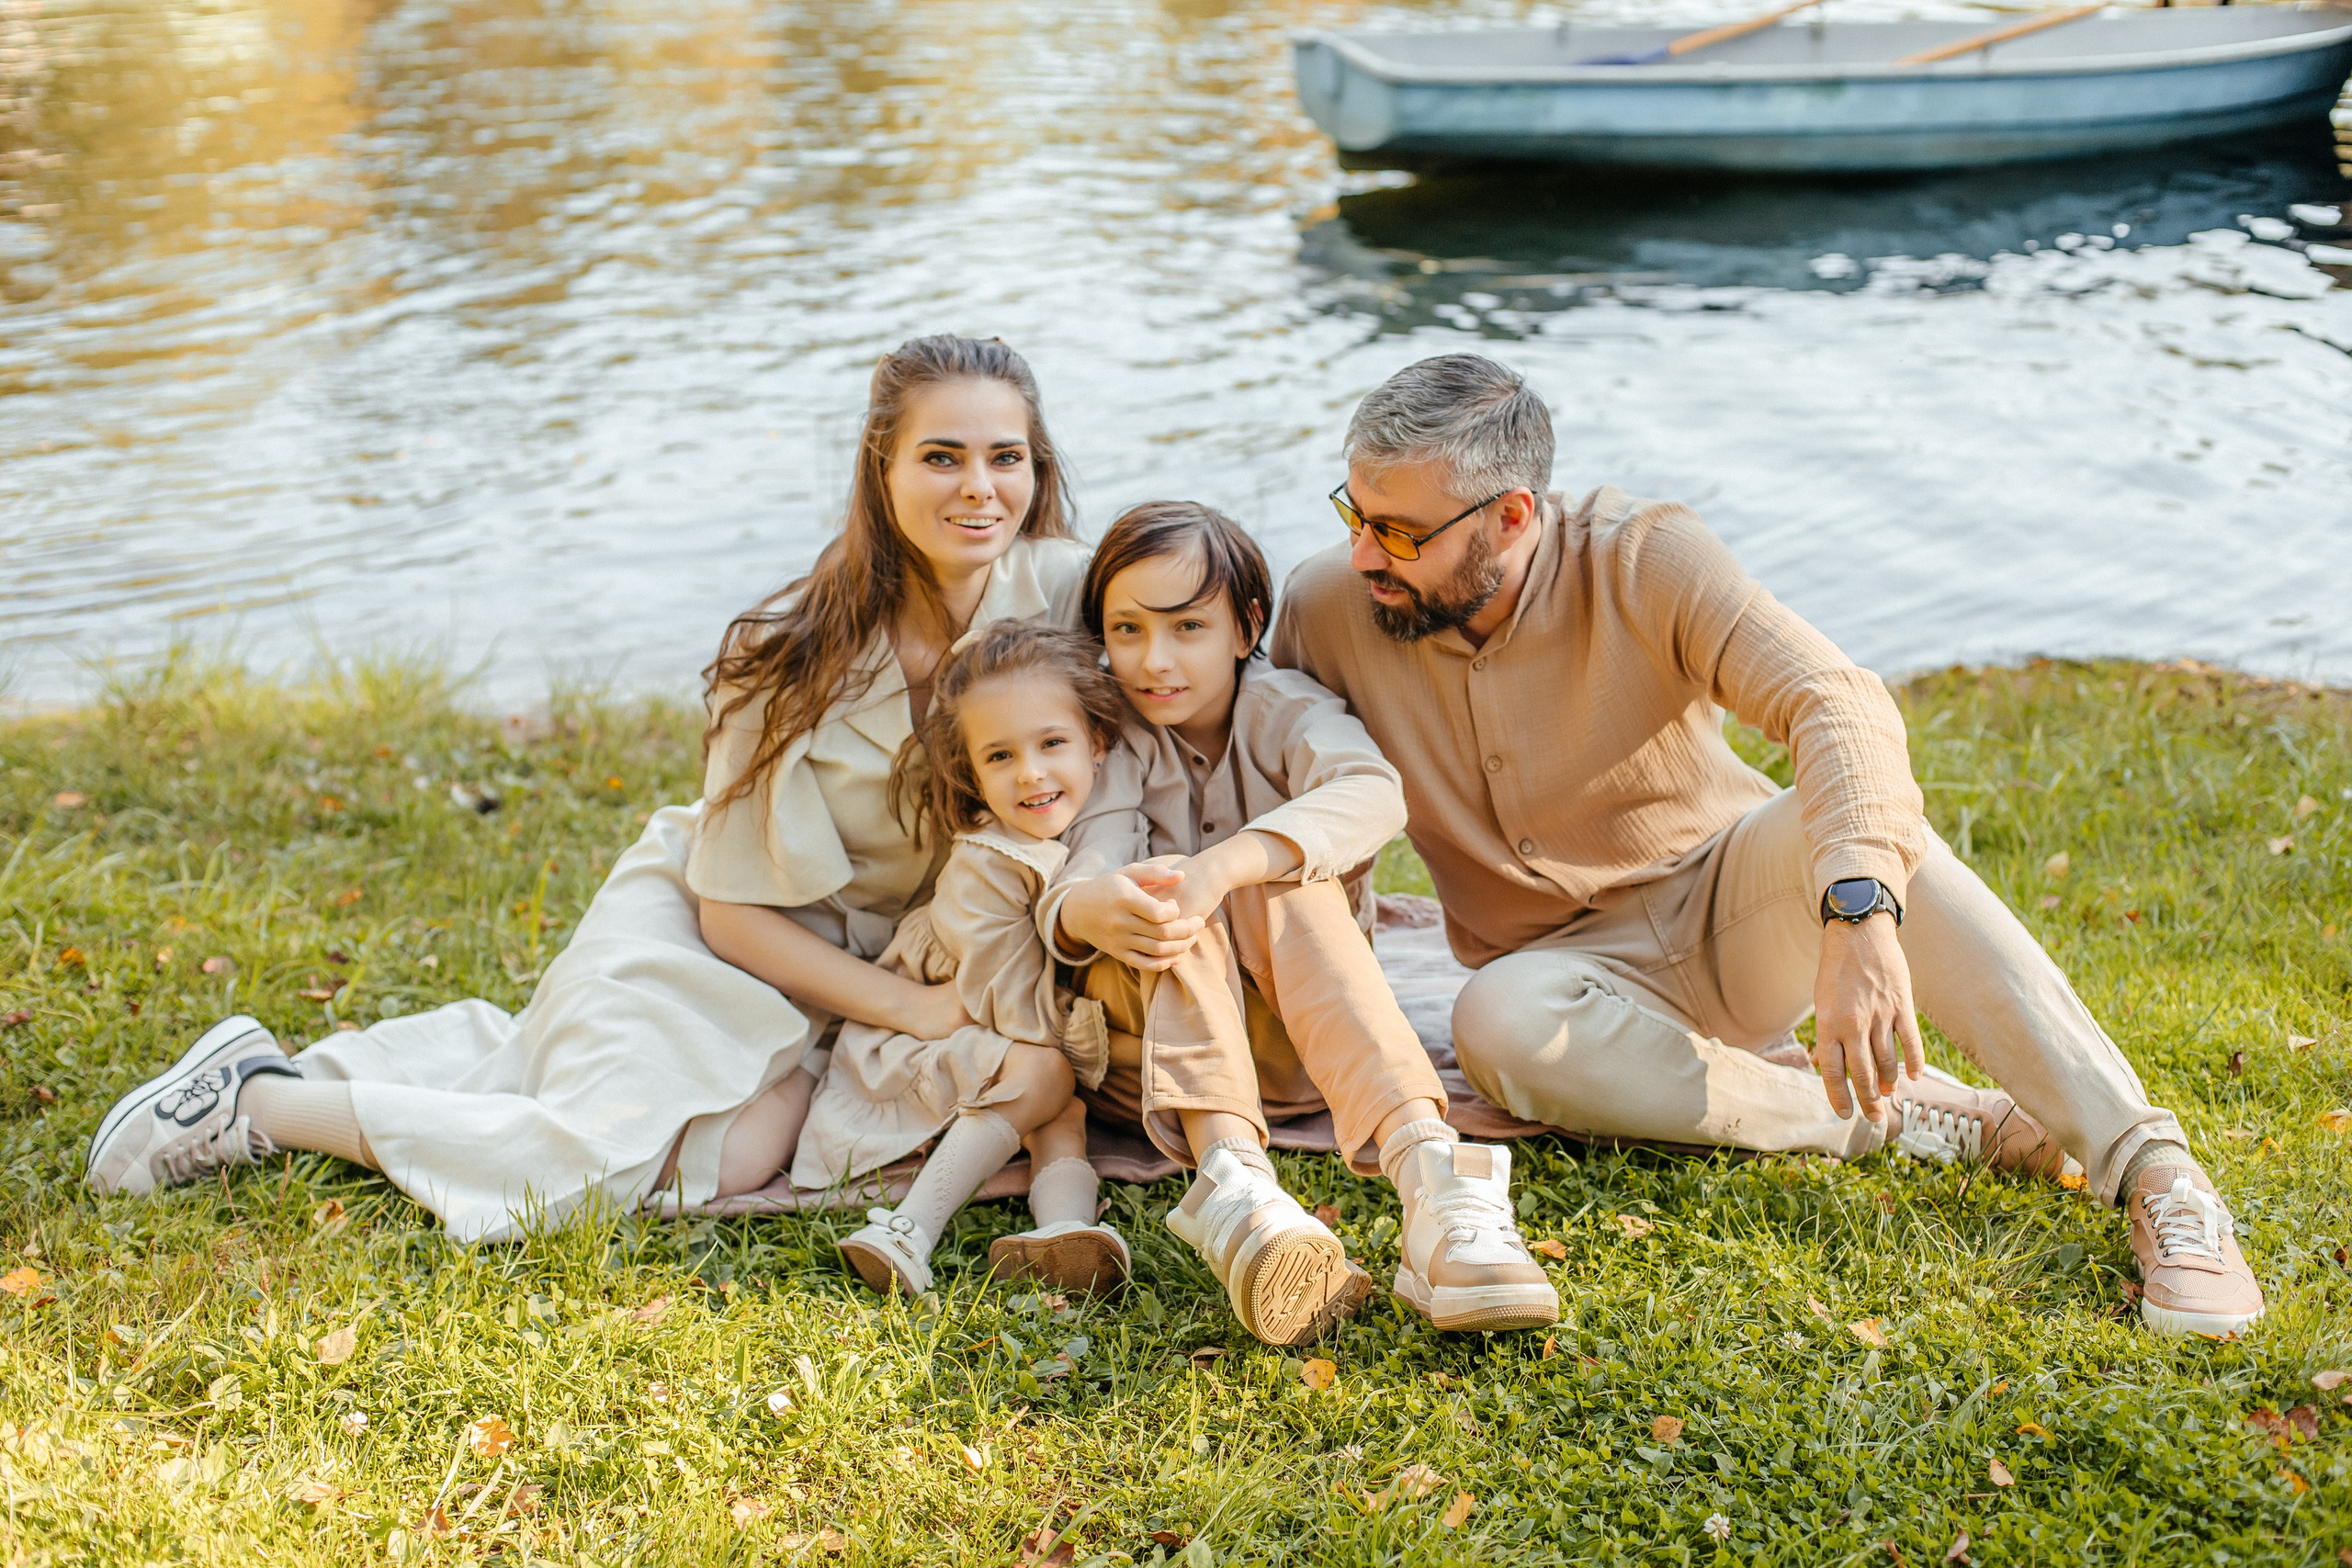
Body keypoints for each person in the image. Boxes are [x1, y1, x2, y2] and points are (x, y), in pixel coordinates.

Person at [1266, 352, 2264, 1337]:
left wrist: (1860, 917)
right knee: (1493, 1023)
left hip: (1732, 901)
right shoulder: (1323, 613)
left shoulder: (1642, 555)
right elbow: (1304, 818)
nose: (1364, 555)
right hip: (1553, 974)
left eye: (1397, 532)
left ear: (1512, 517)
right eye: (1352, 514)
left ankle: (2153, 1169)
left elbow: (1835, 700)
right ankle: (1898, 1119)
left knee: (1873, 832)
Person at [84, 334, 1094, 1247]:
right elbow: (734, 912)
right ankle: (255, 1102)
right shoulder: (786, 656)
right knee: (587, 1168)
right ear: (882, 470)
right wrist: (908, 1011)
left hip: (893, 969)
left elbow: (1215, 638)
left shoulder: (1068, 597)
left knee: (725, 1164)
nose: (979, 488)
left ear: (1036, 469)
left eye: (1006, 456)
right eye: (941, 456)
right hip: (719, 939)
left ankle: (471, 1057)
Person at [1046, 501, 1559, 1346]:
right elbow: (1090, 859)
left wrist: (1233, 862)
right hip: (1157, 1062)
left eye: (1186, 627)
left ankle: (1436, 1179)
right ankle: (1237, 1186)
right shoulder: (1114, 737)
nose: (1153, 659)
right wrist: (1091, 905)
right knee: (1165, 896)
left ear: (1248, 625)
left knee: (1280, 876)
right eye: (1126, 629)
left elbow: (1372, 793)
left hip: (1300, 1050)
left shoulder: (1287, 708)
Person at [806, 623, 1132, 1296]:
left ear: (1097, 743)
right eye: (1001, 756)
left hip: (999, 1044)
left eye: (1051, 743)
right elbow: (1008, 1004)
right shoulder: (985, 866)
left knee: (1057, 1100)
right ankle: (908, 1227)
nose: (1032, 772)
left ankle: (1063, 1232)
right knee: (1046, 1072)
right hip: (917, 1044)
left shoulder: (1101, 820)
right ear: (974, 775)